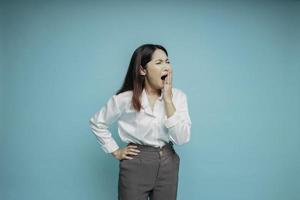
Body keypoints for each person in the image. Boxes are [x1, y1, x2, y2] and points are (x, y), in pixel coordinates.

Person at [89, 43, 192, 200]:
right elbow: (97, 122)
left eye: (167, 61)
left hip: (168, 162)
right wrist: (115, 151)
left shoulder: (178, 97)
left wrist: (168, 101)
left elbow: (182, 139)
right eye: (159, 63)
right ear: (142, 70)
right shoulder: (124, 99)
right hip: (136, 164)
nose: (167, 67)